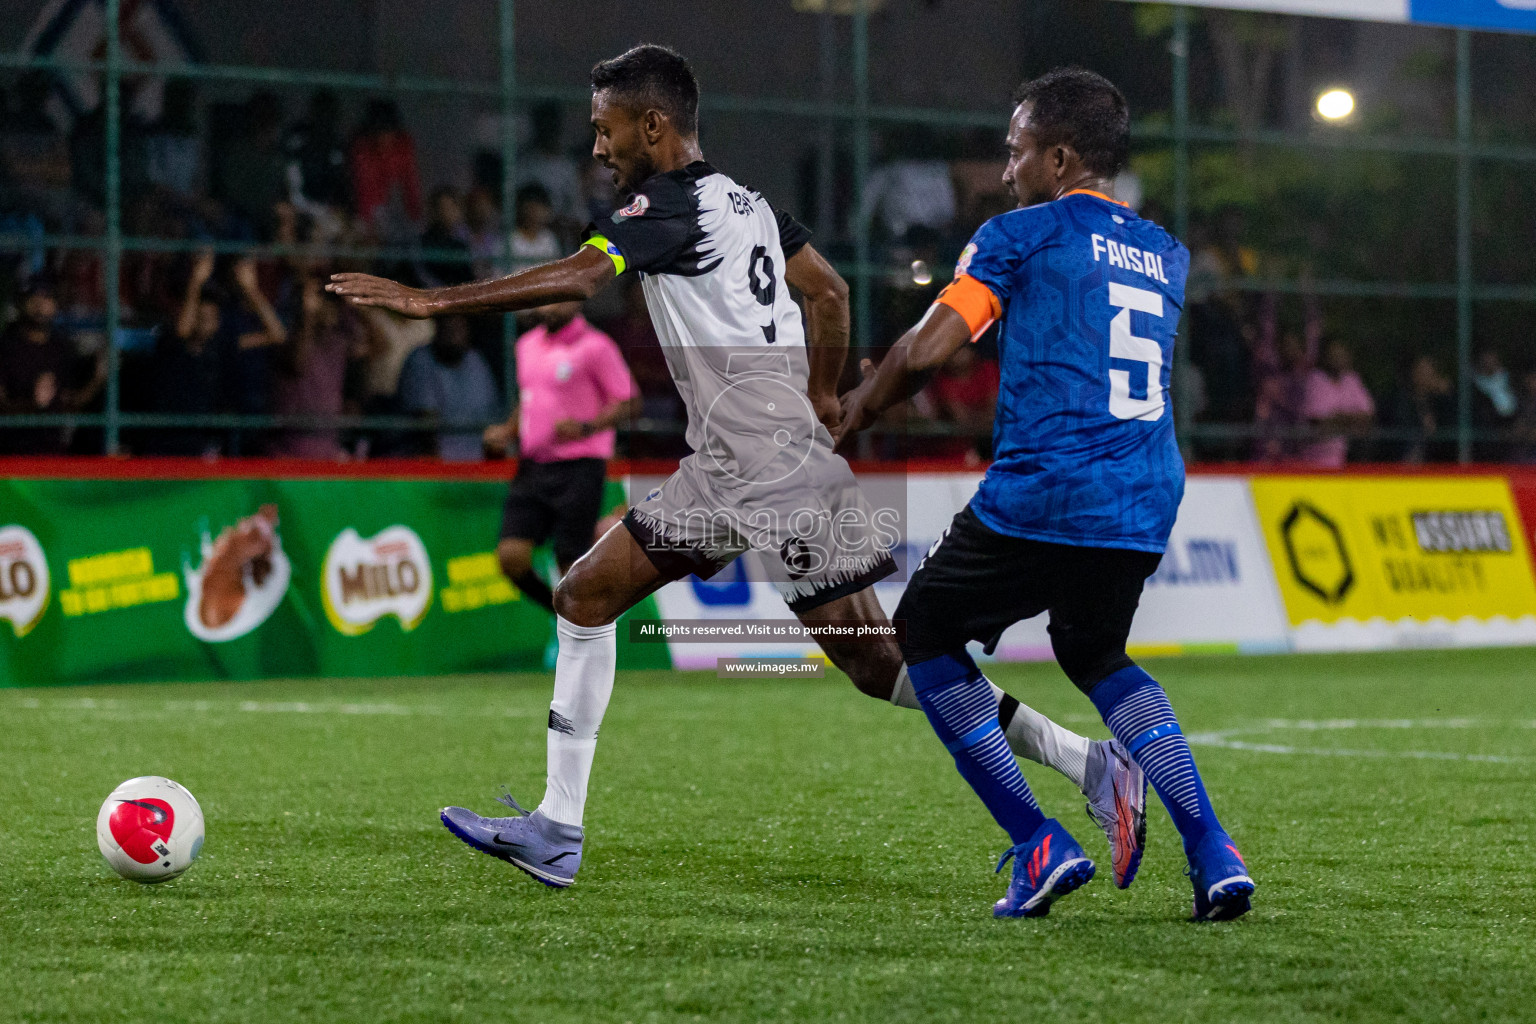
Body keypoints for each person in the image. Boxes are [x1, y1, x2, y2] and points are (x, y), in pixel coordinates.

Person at [330, 45, 1143, 892]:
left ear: (653, 125)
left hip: (767, 470)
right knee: (584, 593)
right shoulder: (749, 205)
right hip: (732, 463)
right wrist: (822, 398)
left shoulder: (666, 207)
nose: (598, 150)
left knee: (880, 663)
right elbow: (827, 293)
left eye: (606, 132)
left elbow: (579, 281)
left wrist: (429, 300)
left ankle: (1090, 765)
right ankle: (556, 830)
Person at [838, 68, 1253, 921]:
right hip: (1143, 492)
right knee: (1096, 653)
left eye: (1016, 151)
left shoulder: (1020, 234)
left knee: (922, 628)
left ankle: (1038, 842)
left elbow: (930, 351)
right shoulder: (1166, 251)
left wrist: (855, 409)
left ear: (1059, 158)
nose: (1006, 170)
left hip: (1048, 486)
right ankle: (1213, 852)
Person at [481, 301, 639, 612]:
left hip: (579, 466)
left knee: (570, 562)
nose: (550, 304)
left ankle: (584, 628)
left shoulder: (596, 346)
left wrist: (587, 426)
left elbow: (630, 401)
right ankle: (563, 616)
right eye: (546, 296)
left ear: (577, 301)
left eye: (559, 296)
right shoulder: (526, 345)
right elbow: (530, 398)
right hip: (532, 466)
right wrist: (508, 431)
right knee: (511, 557)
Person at [0, 282, 102, 454]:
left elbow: (70, 403)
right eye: (33, 298)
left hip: (53, 454)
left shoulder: (61, 349)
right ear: (21, 304)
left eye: (47, 298)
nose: (40, 305)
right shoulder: (6, 347)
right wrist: (33, 404)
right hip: (11, 454)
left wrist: (98, 379)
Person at [397, 314, 500, 461]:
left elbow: (493, 421)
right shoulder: (420, 360)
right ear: (438, 327)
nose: (453, 331)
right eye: (448, 324)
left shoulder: (476, 362)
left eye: (459, 325)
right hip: (435, 470)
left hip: (476, 467)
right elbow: (425, 428)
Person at [1299, 339, 1375, 468]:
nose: (1337, 359)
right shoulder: (1315, 379)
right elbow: (1321, 422)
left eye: (1341, 355)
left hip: (1351, 460)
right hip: (1317, 460)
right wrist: (1351, 420)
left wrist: (1338, 418)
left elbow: (1368, 416)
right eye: (1333, 355)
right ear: (1325, 357)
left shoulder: (1352, 379)